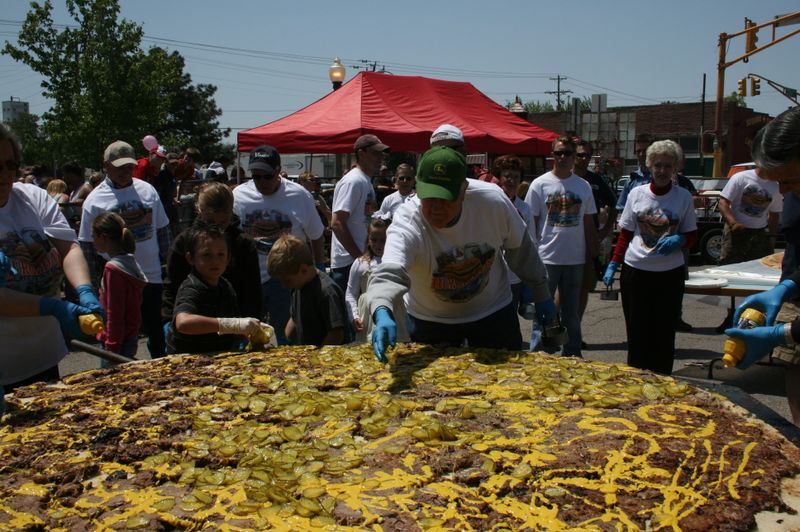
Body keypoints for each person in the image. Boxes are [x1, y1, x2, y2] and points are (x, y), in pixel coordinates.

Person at [367, 146, 555, 362]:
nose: (436, 207)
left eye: (445, 198)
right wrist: (381, 309)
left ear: (464, 190)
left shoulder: (492, 202)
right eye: (429, 197)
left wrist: (541, 293)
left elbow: (521, 251)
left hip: (492, 313)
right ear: (418, 189)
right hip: (430, 320)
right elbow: (390, 271)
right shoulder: (407, 221)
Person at [0, 123, 102, 391]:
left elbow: (69, 247)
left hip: (44, 354)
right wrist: (54, 307)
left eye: (10, 165)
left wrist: (84, 290)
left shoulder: (31, 197)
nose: (4, 174)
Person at [722, 106, 800, 425]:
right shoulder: (793, 188)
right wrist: (787, 286)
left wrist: (780, 333)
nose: (781, 192)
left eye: (790, 180)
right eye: (776, 182)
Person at [602, 140, 698, 375]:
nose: (662, 171)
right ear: (650, 166)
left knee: (664, 332)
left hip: (669, 274)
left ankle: (663, 379)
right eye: (657, 165)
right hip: (636, 272)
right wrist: (614, 263)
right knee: (637, 331)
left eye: (667, 166)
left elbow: (692, 234)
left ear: (675, 167)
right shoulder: (636, 194)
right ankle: (637, 379)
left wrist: (680, 241)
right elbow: (625, 233)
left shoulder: (683, 196)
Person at [79, 140, 172, 359]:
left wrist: (168, 269)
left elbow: (162, 230)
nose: (125, 171)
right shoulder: (94, 200)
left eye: (129, 166)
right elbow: (87, 245)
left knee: (157, 334)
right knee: (118, 334)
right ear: (106, 165)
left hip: (151, 277)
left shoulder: (147, 190)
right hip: (116, 280)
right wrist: (92, 287)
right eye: (119, 166)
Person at [233, 145, 325, 345]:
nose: (261, 182)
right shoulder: (239, 196)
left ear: (278, 171)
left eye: (267, 176)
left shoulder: (299, 195)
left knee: (287, 337)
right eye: (256, 176)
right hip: (251, 277)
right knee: (247, 337)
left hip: (287, 280)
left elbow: (316, 235)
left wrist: (319, 267)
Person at [525, 137, 599, 357]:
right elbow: (531, 223)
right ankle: (538, 352)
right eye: (558, 153)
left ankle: (573, 352)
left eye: (567, 153)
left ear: (574, 156)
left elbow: (588, 223)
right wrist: (531, 257)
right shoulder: (539, 184)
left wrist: (594, 257)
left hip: (575, 258)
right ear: (552, 155)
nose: (563, 157)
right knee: (543, 311)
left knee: (571, 313)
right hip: (547, 257)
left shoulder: (583, 186)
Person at [163, 182, 261, 325]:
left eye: (223, 222)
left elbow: (253, 291)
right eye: (210, 221)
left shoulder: (243, 243)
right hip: (191, 324)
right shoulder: (184, 242)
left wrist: (252, 321)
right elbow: (171, 286)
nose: (216, 228)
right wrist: (167, 321)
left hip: (235, 325)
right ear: (199, 209)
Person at [167, 224, 270, 355]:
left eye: (221, 254)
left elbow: (234, 326)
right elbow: (183, 323)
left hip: (219, 357)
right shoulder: (192, 286)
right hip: (189, 360)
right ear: (190, 258)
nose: (215, 261)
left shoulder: (225, 286)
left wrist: (252, 331)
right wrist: (231, 324)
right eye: (207, 255)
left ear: (228, 258)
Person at [714, 163, 782, 332]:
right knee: (729, 275)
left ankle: (753, 316)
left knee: (760, 276)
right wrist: (732, 222)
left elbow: (774, 214)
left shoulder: (775, 185)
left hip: (758, 233)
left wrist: (772, 237)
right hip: (735, 231)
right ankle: (731, 315)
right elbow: (723, 202)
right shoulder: (741, 178)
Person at [268, 234, 351, 347]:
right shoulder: (298, 286)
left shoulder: (326, 291)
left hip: (327, 358)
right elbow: (294, 317)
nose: (284, 286)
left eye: (287, 281)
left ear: (304, 270)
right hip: (306, 355)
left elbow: (336, 333)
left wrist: (317, 357)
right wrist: (285, 340)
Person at [330, 135, 384, 293]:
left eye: (382, 153)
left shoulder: (363, 180)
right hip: (348, 264)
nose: (381, 157)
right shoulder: (353, 181)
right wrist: (361, 259)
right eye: (376, 153)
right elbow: (337, 223)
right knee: (352, 315)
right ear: (362, 153)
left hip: (356, 261)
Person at [573, 139, 617, 329]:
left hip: (589, 240)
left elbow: (614, 205)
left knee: (584, 288)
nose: (583, 159)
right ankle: (556, 329)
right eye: (580, 155)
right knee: (563, 290)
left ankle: (575, 328)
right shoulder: (565, 178)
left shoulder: (596, 180)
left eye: (587, 155)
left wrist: (604, 232)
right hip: (565, 242)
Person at [92, 212, 147, 359]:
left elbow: (115, 312)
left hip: (115, 342)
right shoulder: (130, 263)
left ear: (103, 237)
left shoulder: (113, 270)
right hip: (129, 337)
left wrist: (112, 347)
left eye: (94, 236)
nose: (93, 241)